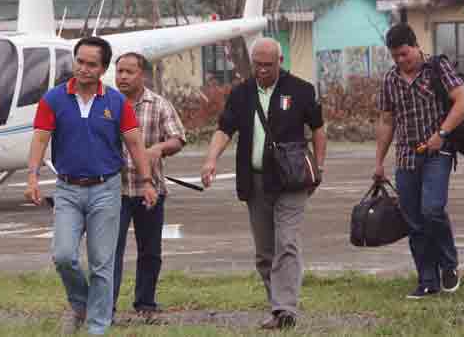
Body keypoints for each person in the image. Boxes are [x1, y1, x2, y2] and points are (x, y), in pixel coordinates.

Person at [25, 37, 157, 336]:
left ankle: (98, 328)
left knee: (102, 263)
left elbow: (135, 144)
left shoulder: (116, 102)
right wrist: (32, 176)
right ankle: (82, 303)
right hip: (67, 189)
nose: (83, 69)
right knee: (63, 256)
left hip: (106, 189)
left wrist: (147, 182)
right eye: (79, 62)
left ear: (102, 68)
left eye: (91, 64)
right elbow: (40, 138)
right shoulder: (53, 100)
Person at [200, 37, 325, 330]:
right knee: (265, 252)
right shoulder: (241, 93)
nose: (262, 70)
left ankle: (285, 309)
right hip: (254, 180)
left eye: (268, 65)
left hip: (291, 180)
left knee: (287, 242)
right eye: (257, 65)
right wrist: (210, 160)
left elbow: (319, 130)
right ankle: (277, 306)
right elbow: (224, 130)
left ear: (280, 61)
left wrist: (318, 167)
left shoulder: (301, 90)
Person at [375, 23, 464, 299]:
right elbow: (386, 121)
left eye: (404, 54)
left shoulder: (437, 68)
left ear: (416, 46)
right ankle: (427, 279)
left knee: (432, 209)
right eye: (395, 56)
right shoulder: (390, 80)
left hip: (436, 152)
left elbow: (462, 101)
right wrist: (379, 162)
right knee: (413, 220)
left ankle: (449, 265)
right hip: (405, 156)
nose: (400, 61)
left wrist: (442, 133)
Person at [113, 52, 186, 318]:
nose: (122, 77)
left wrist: (159, 149)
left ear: (141, 74)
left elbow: (178, 138)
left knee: (150, 251)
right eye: (119, 71)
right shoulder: (107, 104)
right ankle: (105, 306)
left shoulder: (159, 104)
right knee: (110, 251)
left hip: (150, 190)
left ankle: (145, 304)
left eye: (128, 72)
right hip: (114, 191)